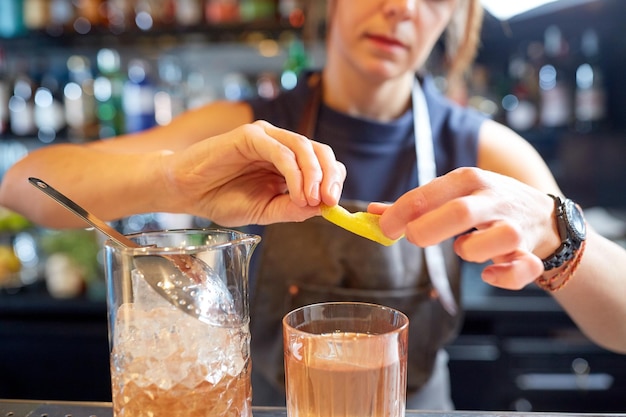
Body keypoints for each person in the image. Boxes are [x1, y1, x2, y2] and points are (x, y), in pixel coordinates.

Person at [1, 0, 626, 410]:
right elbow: (24, 183)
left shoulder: (484, 150)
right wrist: (177, 181)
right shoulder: (245, 129)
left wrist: (557, 231)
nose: (400, 8)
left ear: (455, 17)